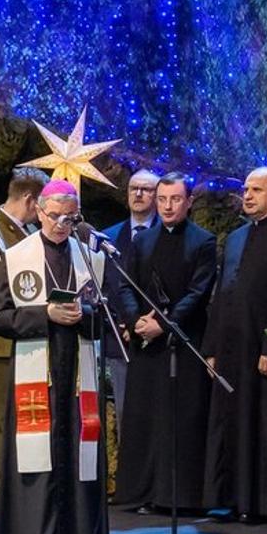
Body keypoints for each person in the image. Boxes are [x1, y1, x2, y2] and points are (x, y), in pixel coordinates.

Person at [0, 181, 109, 534]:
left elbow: (106, 318)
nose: (60, 224)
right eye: (53, 215)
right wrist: (46, 315)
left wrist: (84, 315)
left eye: (68, 218)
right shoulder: (17, 256)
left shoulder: (91, 259)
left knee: (78, 455)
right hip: (37, 373)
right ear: (39, 212)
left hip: (77, 375)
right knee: (39, 456)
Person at [202, 167, 267, 524]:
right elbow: (222, 293)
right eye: (246, 189)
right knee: (227, 419)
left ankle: (259, 502)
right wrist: (211, 347)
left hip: (261, 343)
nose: (247, 195)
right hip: (229, 343)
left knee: (260, 420)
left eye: (257, 190)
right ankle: (228, 496)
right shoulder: (235, 237)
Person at [111, 172, 216, 516]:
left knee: (180, 420)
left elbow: (198, 292)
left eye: (175, 199)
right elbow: (125, 284)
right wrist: (136, 321)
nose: (168, 206)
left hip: (182, 343)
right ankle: (140, 492)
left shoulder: (203, 241)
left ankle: (179, 497)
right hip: (146, 343)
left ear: (189, 202)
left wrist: (164, 324)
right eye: (162, 199)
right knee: (145, 417)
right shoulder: (143, 240)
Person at [0, 168, 47, 483]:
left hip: (29, 337)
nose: (43, 213)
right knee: (3, 415)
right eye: (42, 205)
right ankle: (4, 480)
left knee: (29, 413)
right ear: (29, 200)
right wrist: (40, 308)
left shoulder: (29, 232)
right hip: (1, 342)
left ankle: (28, 479)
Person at [98, 169, 158, 416]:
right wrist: (124, 322)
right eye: (134, 188)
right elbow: (102, 286)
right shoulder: (107, 237)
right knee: (126, 412)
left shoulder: (168, 234)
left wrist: (143, 322)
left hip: (156, 335)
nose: (138, 194)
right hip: (119, 338)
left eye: (146, 189)